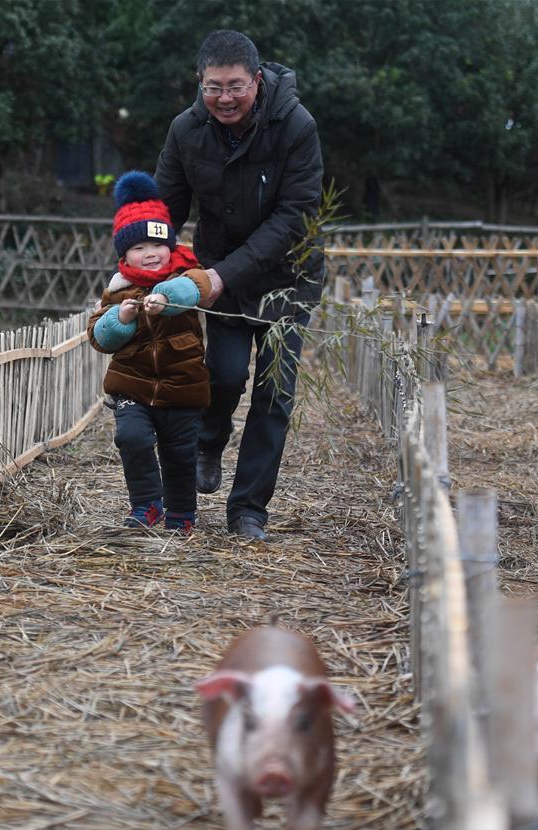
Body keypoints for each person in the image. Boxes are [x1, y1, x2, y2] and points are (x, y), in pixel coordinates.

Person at [155, 29, 324, 541]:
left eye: (235, 87)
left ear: (256, 80)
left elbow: (294, 218)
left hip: (287, 278)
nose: (224, 98)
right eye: (213, 87)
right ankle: (210, 440)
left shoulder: (296, 126)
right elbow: (165, 208)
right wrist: (140, 259)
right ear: (199, 82)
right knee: (224, 375)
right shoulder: (186, 130)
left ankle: (248, 509)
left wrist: (220, 274)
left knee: (274, 393)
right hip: (222, 276)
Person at [87, 170, 213, 535]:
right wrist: (121, 318)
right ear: (124, 255)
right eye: (139, 248)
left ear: (170, 246)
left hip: (182, 386)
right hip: (133, 386)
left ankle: (181, 512)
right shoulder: (117, 291)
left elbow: (201, 286)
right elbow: (98, 336)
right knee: (132, 438)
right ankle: (146, 503)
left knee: (180, 452)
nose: (150, 254)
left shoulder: (186, 274)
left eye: (157, 245)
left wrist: (168, 297)